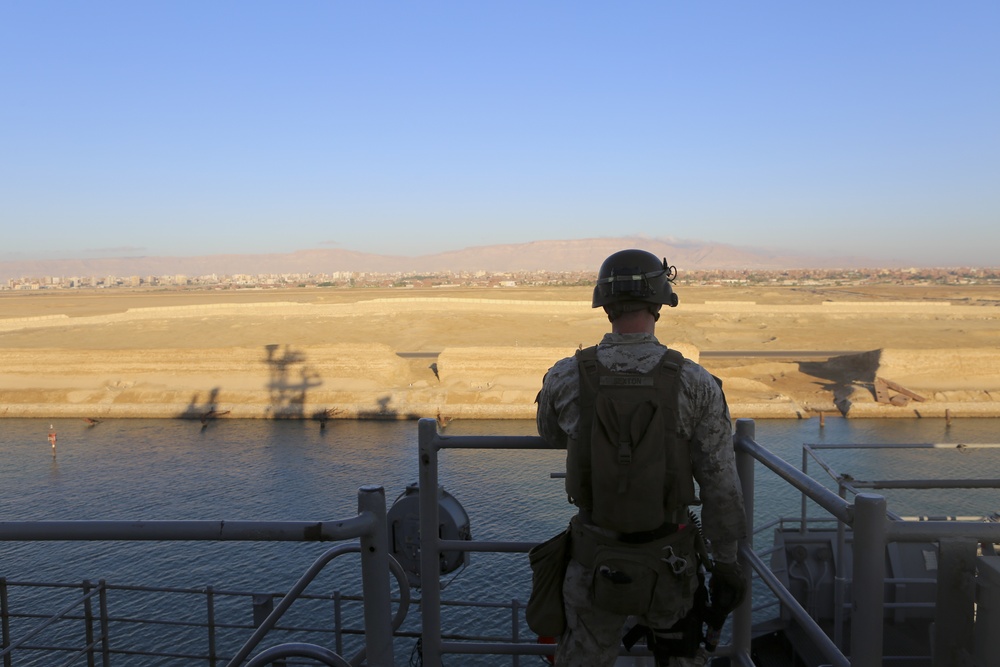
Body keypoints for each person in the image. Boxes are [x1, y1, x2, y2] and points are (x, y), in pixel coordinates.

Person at [535, 249, 747, 666]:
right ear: (659, 303)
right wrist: (726, 564)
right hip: (671, 565)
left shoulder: (564, 374)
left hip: (592, 560)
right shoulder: (695, 381)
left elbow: (550, 433)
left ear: (605, 305)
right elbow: (721, 486)